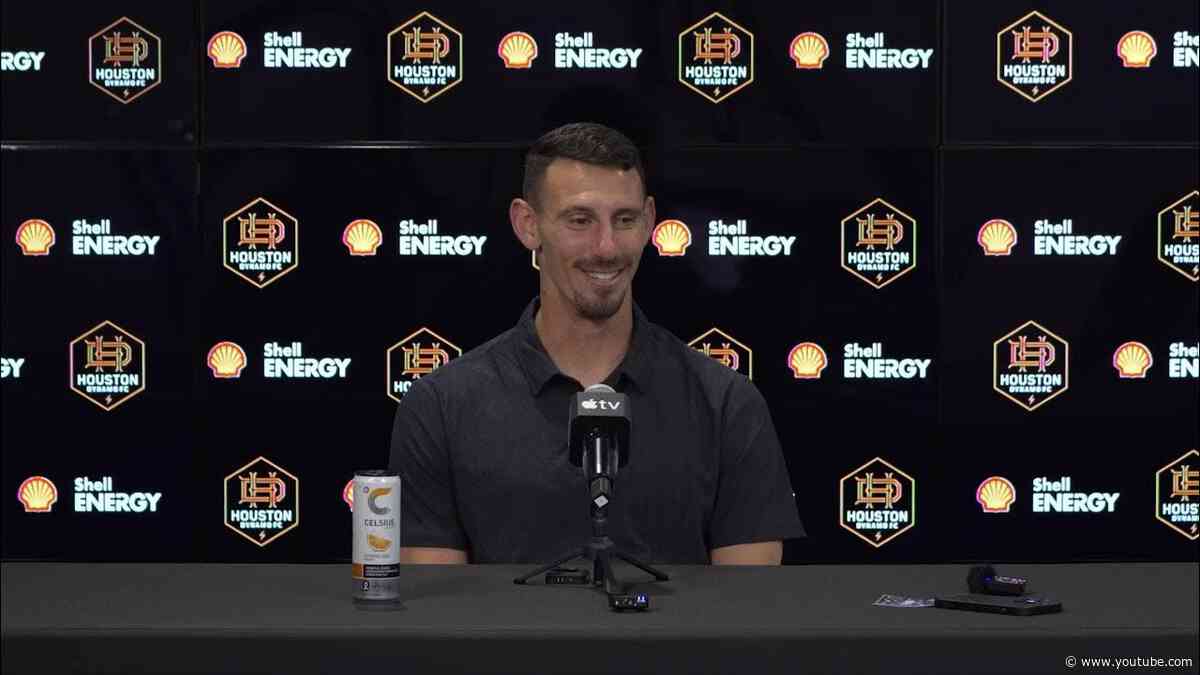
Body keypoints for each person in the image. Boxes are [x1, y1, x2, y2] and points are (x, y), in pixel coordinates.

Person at [389, 122, 804, 565]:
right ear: (528, 225)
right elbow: (435, 621)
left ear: (648, 222)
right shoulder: (441, 406)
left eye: (624, 220)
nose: (606, 247)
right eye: (580, 220)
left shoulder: (726, 403)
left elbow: (749, 613)